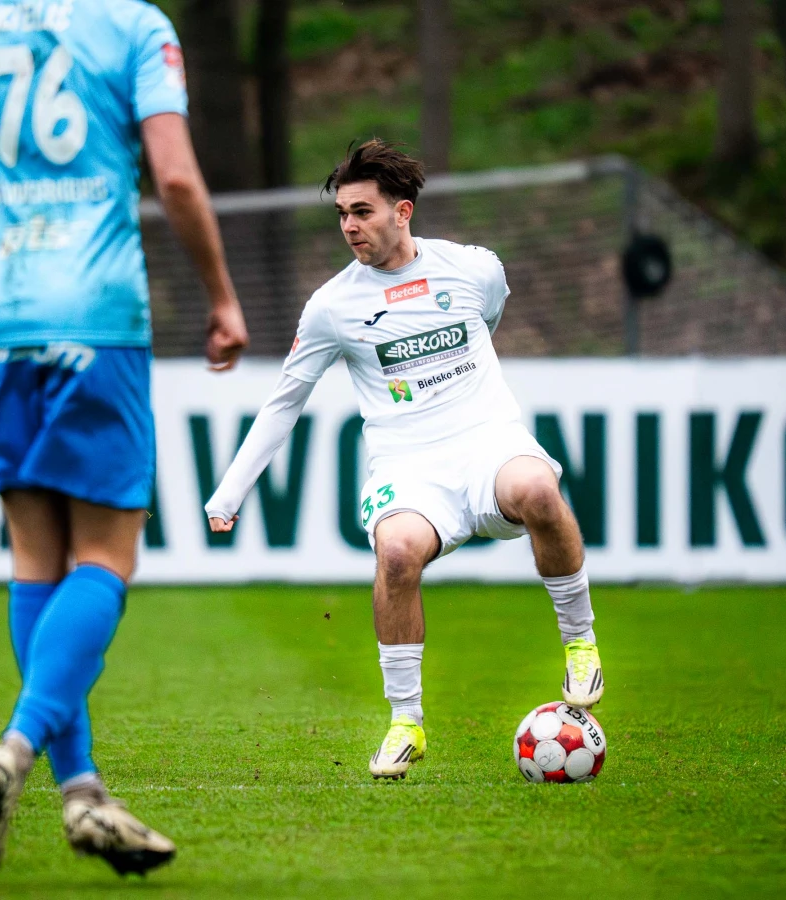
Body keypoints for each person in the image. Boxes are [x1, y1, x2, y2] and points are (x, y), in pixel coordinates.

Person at [0, 0, 248, 875]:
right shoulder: (135, 25)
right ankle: (16, 748)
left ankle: (81, 794)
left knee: (35, 560)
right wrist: (222, 296)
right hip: (95, 317)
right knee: (107, 557)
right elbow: (176, 179)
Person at [204, 140, 603, 781]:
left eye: (361, 211)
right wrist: (229, 495)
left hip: (486, 441)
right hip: (408, 466)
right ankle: (406, 722)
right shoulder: (332, 306)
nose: (349, 226)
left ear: (403, 211)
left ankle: (580, 643)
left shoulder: (473, 268)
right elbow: (285, 402)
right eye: (342, 214)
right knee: (395, 553)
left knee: (536, 488)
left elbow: (488, 317)